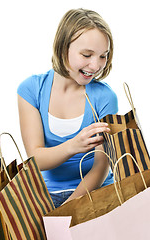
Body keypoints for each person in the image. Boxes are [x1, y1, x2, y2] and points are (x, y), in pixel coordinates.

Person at [17, 8, 118, 208]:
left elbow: (101, 166)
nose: (95, 65)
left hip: (95, 192)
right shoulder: (31, 90)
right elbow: (35, 160)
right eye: (87, 54)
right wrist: (74, 145)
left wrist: (67, 210)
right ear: (63, 48)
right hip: (48, 194)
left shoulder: (105, 97)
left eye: (102, 56)